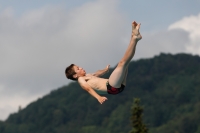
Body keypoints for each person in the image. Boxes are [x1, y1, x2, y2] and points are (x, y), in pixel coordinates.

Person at [65, 21, 142, 104]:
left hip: (118, 86)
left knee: (126, 62)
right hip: (111, 86)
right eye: (78, 68)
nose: (81, 68)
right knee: (122, 63)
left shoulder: (87, 76)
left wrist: (105, 70)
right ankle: (134, 37)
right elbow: (87, 88)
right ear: (75, 75)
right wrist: (98, 97)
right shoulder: (81, 79)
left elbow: (97, 74)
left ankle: (135, 37)